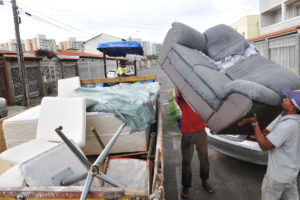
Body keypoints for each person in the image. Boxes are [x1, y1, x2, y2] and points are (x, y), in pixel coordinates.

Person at [238, 88, 300, 200]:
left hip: (277, 177)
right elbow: (282, 139)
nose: (284, 98)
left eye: (288, 99)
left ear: (292, 108)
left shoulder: (286, 126)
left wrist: (255, 124)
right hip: (291, 174)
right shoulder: (296, 122)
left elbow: (264, 146)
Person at [175, 87, 215, 199]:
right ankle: (186, 187)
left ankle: (205, 180)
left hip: (201, 132)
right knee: (187, 162)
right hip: (187, 134)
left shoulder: (199, 98)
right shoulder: (182, 99)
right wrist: (178, 84)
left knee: (204, 159)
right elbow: (177, 95)